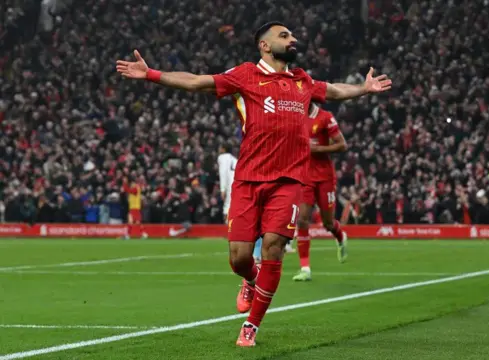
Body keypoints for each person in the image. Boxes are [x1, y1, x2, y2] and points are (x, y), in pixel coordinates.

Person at [116, 21, 391, 347]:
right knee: (239, 258)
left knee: (274, 246)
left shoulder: (302, 80)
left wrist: (363, 87)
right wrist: (151, 74)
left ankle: (251, 326)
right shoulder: (246, 75)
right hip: (248, 180)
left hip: (289, 181)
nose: (293, 39)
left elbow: (332, 90)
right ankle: (249, 278)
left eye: (292, 35)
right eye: (284, 35)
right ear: (264, 45)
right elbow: (197, 82)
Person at [293, 103, 348, 281]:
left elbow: (342, 145)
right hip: (304, 177)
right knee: (302, 220)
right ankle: (305, 269)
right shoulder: (294, 115)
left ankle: (340, 236)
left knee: (328, 223)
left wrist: (319, 149)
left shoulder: (325, 117)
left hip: (324, 177)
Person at [217, 142, 263, 262]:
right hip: (244, 185)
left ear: (223, 148)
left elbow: (223, 173)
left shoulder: (222, 157)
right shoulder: (234, 159)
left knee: (232, 217)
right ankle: (256, 252)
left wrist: (222, 189)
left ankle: (242, 247)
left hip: (234, 187)